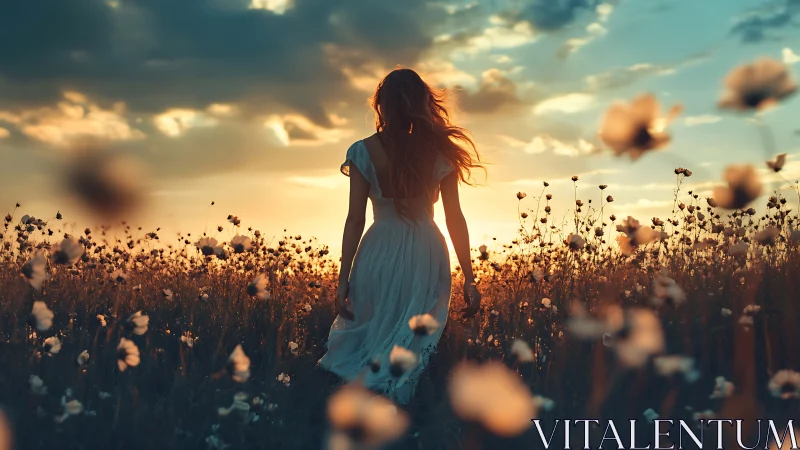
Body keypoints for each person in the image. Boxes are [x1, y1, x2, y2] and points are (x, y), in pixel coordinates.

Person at [317, 67, 484, 405]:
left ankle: (364, 399)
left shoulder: (363, 151)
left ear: (382, 106)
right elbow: (455, 218)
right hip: (426, 250)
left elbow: (355, 219)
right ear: (424, 103)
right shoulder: (440, 154)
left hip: (378, 248)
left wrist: (343, 278)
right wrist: (469, 276)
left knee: (375, 328)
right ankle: (401, 400)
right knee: (413, 335)